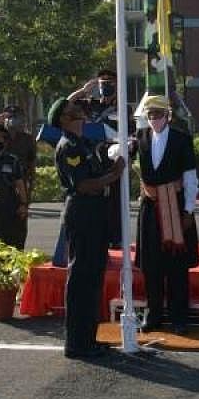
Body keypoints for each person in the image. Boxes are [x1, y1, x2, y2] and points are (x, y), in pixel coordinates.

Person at [51, 96, 125, 359]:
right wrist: (115, 174)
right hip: (81, 212)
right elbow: (83, 185)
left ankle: (89, 339)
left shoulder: (83, 144)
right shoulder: (69, 146)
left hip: (94, 214)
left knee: (93, 278)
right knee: (81, 279)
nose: (78, 108)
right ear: (63, 118)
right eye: (72, 107)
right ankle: (76, 343)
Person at [132, 94, 199, 333]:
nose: (154, 119)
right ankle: (153, 315)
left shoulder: (182, 139)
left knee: (176, 265)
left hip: (176, 205)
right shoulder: (140, 138)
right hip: (150, 207)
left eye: (158, 115)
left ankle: (179, 317)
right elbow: (119, 151)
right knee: (151, 265)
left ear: (167, 116)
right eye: (150, 115)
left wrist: (188, 210)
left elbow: (191, 178)